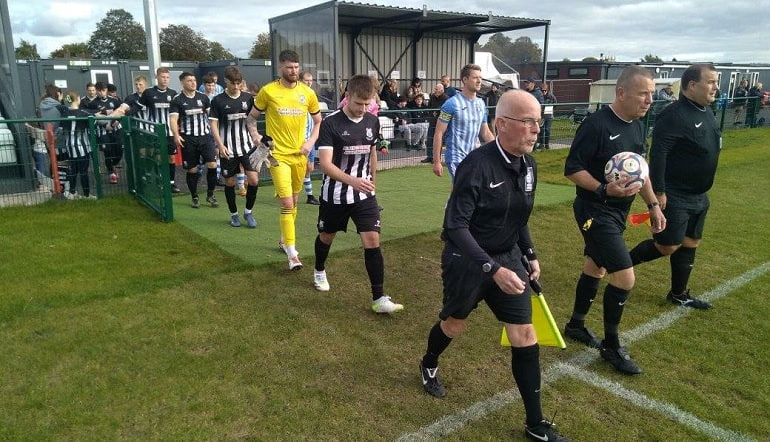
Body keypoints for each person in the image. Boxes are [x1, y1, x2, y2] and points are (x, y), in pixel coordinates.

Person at [418, 89, 569, 442]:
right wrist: (491, 269)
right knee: (454, 324)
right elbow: (455, 226)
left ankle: (535, 424)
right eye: (528, 121)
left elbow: (519, 217)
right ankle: (428, 362)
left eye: (538, 121)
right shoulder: (476, 165)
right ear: (501, 124)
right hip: (467, 260)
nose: (536, 129)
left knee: (525, 334)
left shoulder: (529, 166)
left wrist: (528, 254)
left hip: (507, 258)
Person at [562, 65, 665, 375]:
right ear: (621, 93)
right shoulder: (596, 125)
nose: (650, 99)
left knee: (596, 266)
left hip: (618, 212)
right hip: (594, 211)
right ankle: (611, 345)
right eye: (643, 93)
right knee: (624, 276)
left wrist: (653, 206)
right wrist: (603, 188)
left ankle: (576, 325)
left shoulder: (637, 125)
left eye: (652, 93)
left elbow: (640, 170)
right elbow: (572, 169)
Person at [628, 64, 721, 310]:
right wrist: (659, 191)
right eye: (710, 82)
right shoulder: (675, 114)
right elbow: (659, 154)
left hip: (699, 195)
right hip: (675, 194)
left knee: (690, 242)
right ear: (692, 86)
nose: (716, 87)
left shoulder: (706, 112)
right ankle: (618, 263)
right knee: (667, 245)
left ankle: (679, 294)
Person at [312, 74, 405, 314]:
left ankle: (379, 298)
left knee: (372, 240)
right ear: (347, 96)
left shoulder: (372, 121)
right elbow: (325, 164)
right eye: (358, 104)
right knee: (326, 236)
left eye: (367, 104)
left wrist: (372, 179)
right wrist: (353, 181)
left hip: (364, 195)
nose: (362, 109)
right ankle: (319, 269)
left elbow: (372, 152)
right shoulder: (331, 124)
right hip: (335, 195)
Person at [249, 49, 322, 270]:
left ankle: (283, 240)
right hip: (277, 156)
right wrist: (257, 138)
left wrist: (309, 144)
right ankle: (292, 253)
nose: (294, 71)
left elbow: (319, 121)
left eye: (297, 67)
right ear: (280, 67)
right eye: (290, 67)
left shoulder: (307, 93)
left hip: (299, 156)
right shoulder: (268, 91)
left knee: (295, 200)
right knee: (287, 202)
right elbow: (251, 119)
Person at [209, 66, 260, 228]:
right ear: (226, 81)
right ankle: (234, 215)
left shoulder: (247, 98)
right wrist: (219, 145)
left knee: (253, 180)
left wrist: (256, 136)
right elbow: (213, 124)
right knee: (230, 182)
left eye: (238, 83)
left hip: (247, 147)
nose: (236, 87)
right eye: (233, 83)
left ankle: (248, 212)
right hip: (228, 149)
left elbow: (252, 119)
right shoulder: (217, 100)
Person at [432, 64, 495, 180]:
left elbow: (485, 132)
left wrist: (500, 150)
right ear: (465, 80)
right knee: (466, 188)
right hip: (456, 157)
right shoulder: (451, 103)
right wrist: (437, 161)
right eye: (475, 77)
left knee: (461, 193)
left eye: (480, 78)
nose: (479, 81)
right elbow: (439, 133)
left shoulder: (481, 104)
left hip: (474, 157)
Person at [169, 71, 219, 209]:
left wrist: (217, 134)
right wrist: (176, 135)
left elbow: (211, 116)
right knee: (192, 170)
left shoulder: (203, 97)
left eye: (194, 80)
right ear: (182, 83)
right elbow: (173, 119)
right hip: (188, 138)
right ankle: (195, 196)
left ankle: (210, 195)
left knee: (212, 165)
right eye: (189, 80)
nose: (193, 82)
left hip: (205, 137)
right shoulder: (177, 99)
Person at [140, 67, 180, 193]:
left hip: (169, 132)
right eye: (163, 77)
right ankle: (151, 177)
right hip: (154, 131)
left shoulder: (174, 94)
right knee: (154, 156)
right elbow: (138, 106)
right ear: (156, 77)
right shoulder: (149, 92)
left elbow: (179, 113)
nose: (165, 79)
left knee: (171, 158)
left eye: (167, 77)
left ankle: (171, 183)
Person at [86, 82, 124, 184]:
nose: (102, 92)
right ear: (97, 91)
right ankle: (111, 173)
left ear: (106, 90)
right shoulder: (92, 104)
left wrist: (117, 121)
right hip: (103, 131)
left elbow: (122, 112)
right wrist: (104, 125)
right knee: (107, 152)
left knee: (120, 149)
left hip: (116, 129)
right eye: (100, 91)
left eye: (104, 90)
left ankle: (114, 164)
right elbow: (93, 118)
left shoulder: (114, 101)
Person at [60, 92, 96, 199]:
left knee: (73, 171)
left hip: (69, 147)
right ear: (78, 99)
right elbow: (93, 123)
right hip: (82, 147)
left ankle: (72, 192)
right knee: (84, 172)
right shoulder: (83, 114)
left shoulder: (64, 114)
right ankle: (86, 194)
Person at [300, 71, 321, 205]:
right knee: (299, 168)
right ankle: (309, 195)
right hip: (299, 140)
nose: (309, 83)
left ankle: (309, 196)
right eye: (306, 80)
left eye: (311, 80)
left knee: (310, 168)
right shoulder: (297, 95)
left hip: (310, 139)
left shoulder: (312, 96)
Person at [421, 83, 449, 164]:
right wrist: (431, 113)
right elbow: (429, 106)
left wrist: (437, 111)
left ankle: (437, 158)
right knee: (430, 139)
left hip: (441, 122)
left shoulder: (446, 98)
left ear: (441, 90)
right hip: (432, 120)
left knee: (438, 140)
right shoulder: (432, 97)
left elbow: (444, 108)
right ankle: (429, 156)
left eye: (437, 89)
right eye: (435, 89)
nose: (435, 91)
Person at [539, 82, 557, 150]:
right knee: (541, 130)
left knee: (547, 130)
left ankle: (547, 144)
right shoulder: (540, 96)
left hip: (549, 115)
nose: (543, 92)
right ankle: (541, 144)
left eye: (545, 90)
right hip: (541, 115)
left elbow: (556, 104)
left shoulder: (551, 96)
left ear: (547, 90)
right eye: (542, 90)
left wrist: (550, 108)